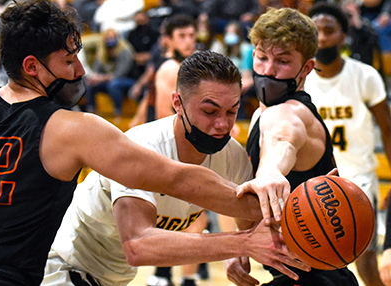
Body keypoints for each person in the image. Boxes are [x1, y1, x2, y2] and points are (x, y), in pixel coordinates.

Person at [0, 1, 310, 285]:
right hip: (58, 272)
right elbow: (177, 181)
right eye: (69, 61)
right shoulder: (72, 128)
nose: (81, 70)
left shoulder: (228, 153)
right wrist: (300, 209)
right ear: (32, 67)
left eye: (232, 111)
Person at [40, 50, 306, 286]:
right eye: (210, 111)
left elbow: (246, 215)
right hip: (61, 266)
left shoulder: (231, 155)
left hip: (111, 278)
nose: (223, 125)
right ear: (177, 103)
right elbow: (138, 245)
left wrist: (312, 205)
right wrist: (240, 243)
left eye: (231, 111)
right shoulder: (142, 146)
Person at [227, 7, 360, 286]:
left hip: (318, 277)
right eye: (262, 58)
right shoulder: (259, 114)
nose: (269, 71)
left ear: (307, 68)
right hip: (299, 275)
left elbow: (284, 140)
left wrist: (271, 172)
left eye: (283, 61)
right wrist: (237, 246)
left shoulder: (291, 113)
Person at [305, 2, 391, 286]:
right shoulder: (301, 81)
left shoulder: (365, 75)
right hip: (316, 183)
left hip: (359, 179)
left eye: (329, 31)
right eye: (316, 31)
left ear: (343, 36)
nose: (322, 37)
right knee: (313, 263)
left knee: (365, 260)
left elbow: (388, 131)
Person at [83, 28, 135, 122]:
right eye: (107, 37)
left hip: (128, 80)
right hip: (107, 81)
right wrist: (94, 78)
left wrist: (101, 78)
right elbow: (96, 71)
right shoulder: (102, 53)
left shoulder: (124, 51)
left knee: (114, 84)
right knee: (89, 83)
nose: (110, 40)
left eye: (112, 37)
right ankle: (91, 111)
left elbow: (120, 73)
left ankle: (118, 112)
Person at [154, 13, 197, 120]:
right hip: (166, 133)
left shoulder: (181, 64)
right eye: (181, 36)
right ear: (169, 40)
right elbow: (163, 114)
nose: (188, 41)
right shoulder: (170, 68)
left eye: (191, 36)